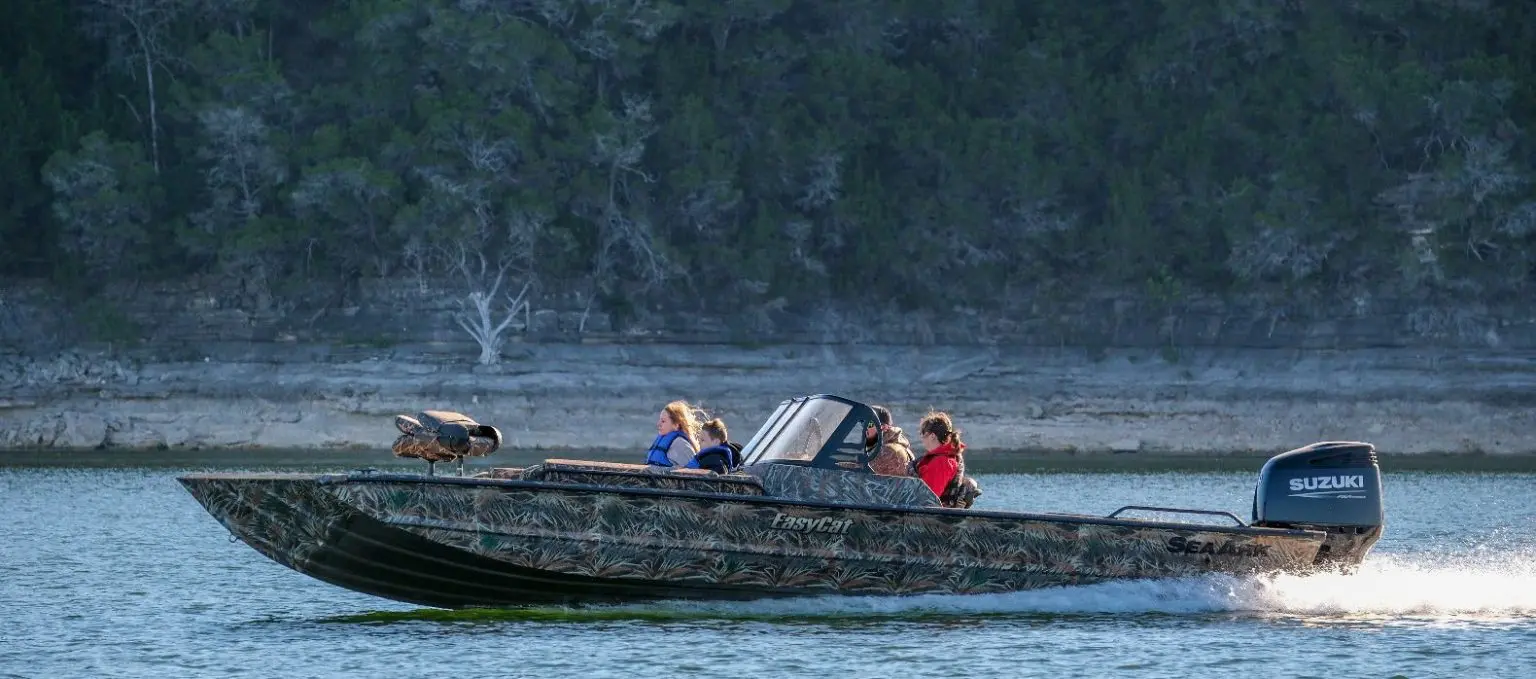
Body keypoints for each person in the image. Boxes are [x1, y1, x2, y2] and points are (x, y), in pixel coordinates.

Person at [913, 410, 981, 508]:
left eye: (923, 434)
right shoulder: (948, 456)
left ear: (932, 436)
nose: (922, 439)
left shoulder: (941, 462)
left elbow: (928, 499)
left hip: (930, 515)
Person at [644, 400, 701, 467]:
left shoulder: (681, 445)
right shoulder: (663, 440)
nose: (658, 424)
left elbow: (693, 471)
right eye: (659, 420)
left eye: (663, 421)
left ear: (676, 425)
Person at [865, 405, 915, 476]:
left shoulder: (890, 451)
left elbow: (866, 475)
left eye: (869, 425)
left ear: (883, 427)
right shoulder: (891, 445)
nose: (865, 429)